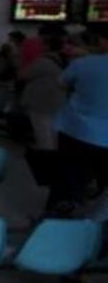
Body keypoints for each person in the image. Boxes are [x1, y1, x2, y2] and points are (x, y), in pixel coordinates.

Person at [47, 28, 108, 215]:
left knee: (68, 175)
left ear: (103, 42)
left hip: (76, 130)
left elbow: (61, 83)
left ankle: (60, 214)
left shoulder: (84, 63)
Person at [18, 36, 67, 150]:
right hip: (59, 99)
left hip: (41, 101)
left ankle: (46, 157)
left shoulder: (43, 61)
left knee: (42, 131)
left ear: (47, 46)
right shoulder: (65, 60)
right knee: (53, 130)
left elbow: (22, 75)